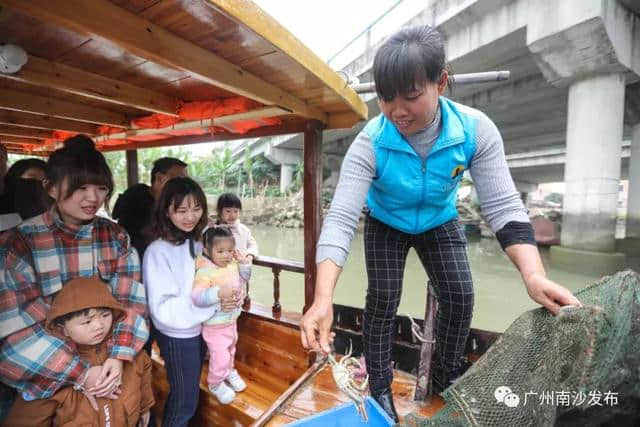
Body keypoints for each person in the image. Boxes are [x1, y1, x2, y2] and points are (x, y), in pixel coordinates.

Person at [298, 25, 581, 422]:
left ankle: (448, 376)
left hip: (440, 220)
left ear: (441, 83)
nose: (397, 111)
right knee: (382, 301)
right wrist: (323, 297)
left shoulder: (475, 131)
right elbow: (342, 218)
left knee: (461, 296)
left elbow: (503, 206)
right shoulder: (370, 143)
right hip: (386, 223)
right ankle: (380, 388)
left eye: (411, 96)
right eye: (385, 99)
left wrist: (533, 276)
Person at [0, 135, 149, 422]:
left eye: (101, 188)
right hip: (47, 375)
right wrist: (81, 373)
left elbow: (132, 304)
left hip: (110, 369)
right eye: (81, 187)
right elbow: (13, 334)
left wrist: (118, 356)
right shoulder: (19, 245)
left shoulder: (116, 237)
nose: (93, 198)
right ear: (51, 188)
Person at [143, 177, 237, 426]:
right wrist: (212, 306)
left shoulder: (197, 243)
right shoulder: (157, 251)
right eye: (181, 210)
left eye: (196, 209)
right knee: (185, 399)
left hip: (200, 329)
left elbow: (210, 282)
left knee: (189, 394)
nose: (190, 217)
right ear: (167, 211)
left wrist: (222, 301)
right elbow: (162, 307)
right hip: (178, 334)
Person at [3, 277, 154, 426]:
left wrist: (144, 408)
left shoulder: (128, 354)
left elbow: (145, 372)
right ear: (64, 329)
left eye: (105, 315)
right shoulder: (53, 376)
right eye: (87, 321)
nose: (99, 325)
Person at [191, 226, 250, 404]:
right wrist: (218, 293)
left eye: (230, 251)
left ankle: (229, 371)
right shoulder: (204, 272)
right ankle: (215, 383)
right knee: (220, 356)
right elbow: (197, 297)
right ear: (208, 251)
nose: (226, 255)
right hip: (214, 326)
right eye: (220, 251)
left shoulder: (232, 265)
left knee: (231, 348)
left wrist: (244, 264)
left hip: (231, 321)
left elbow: (244, 278)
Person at [112, 157, 188, 259]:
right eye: (178, 179)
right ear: (160, 178)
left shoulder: (169, 202)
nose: (183, 185)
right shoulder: (136, 197)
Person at [215, 193, 258, 264]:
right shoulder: (213, 230)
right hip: (219, 272)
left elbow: (253, 245)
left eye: (236, 211)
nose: (232, 215)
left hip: (240, 271)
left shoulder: (243, 230)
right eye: (228, 211)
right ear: (219, 211)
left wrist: (249, 256)